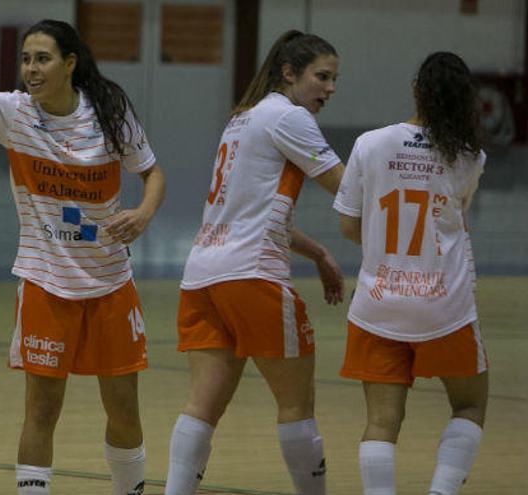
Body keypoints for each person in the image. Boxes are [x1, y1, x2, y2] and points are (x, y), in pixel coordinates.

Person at [0, 2, 165, 494]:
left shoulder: (108, 111)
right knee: (42, 409)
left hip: (110, 281)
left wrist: (145, 212)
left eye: (42, 59)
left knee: (124, 407)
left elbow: (152, 173)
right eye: (25, 59)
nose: (30, 69)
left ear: (70, 64)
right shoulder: (11, 112)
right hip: (46, 284)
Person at [164, 30, 346, 495]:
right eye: (321, 77)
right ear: (289, 73)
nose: (329, 88)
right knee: (296, 406)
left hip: (203, 276)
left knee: (201, 408)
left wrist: (320, 253)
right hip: (253, 277)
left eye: (334, 79)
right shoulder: (290, 117)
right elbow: (348, 191)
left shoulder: (242, 119)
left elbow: (255, 215)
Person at [335, 51, 487, 495]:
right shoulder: (469, 157)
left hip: (378, 304)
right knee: (470, 405)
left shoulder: (370, 143)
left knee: (381, 422)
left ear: (416, 89)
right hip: (446, 305)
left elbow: (348, 225)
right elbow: (458, 218)